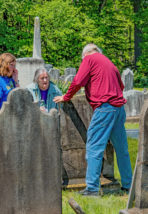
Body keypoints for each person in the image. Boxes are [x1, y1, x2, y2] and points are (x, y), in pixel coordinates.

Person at [53, 44, 132, 196]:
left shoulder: (89, 59)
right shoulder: (110, 63)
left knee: (94, 147)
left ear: (85, 54)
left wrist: (66, 97)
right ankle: (128, 185)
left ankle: (92, 188)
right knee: (122, 150)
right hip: (119, 108)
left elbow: (78, 80)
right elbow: (120, 86)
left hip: (105, 108)